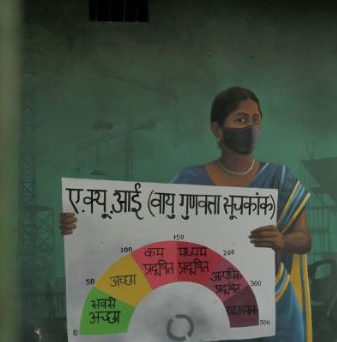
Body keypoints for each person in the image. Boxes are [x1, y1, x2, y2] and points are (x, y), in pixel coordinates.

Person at [61, 86, 313, 342]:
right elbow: (148, 239)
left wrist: (282, 241)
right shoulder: (187, 182)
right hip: (209, 310)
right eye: (240, 120)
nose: (250, 128)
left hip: (275, 306)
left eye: (255, 120)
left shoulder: (279, 178)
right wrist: (81, 226)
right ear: (217, 130)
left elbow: (304, 240)